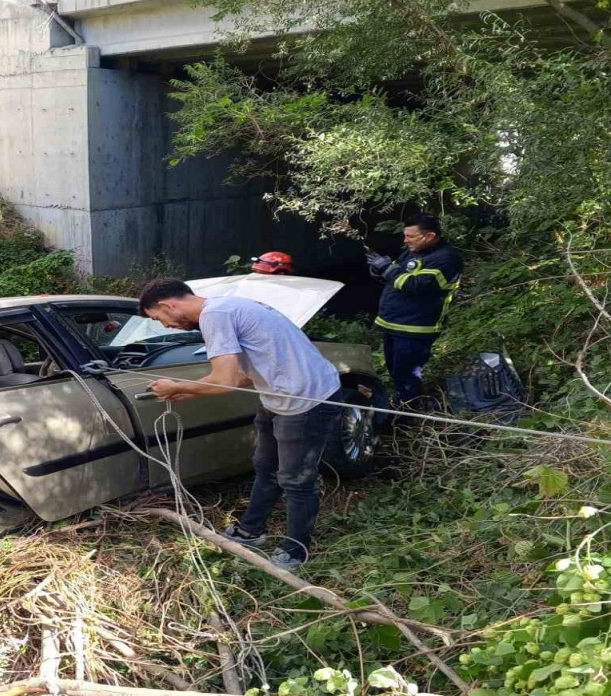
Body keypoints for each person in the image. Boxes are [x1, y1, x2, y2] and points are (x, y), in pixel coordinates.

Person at [139, 277, 345, 571]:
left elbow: (225, 381)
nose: (166, 326)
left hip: (306, 400)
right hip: (279, 396)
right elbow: (245, 373)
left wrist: (175, 385)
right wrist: (188, 389)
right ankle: (251, 531)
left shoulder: (215, 315)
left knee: (295, 479)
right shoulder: (228, 308)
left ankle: (297, 550)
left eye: (159, 319)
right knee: (265, 465)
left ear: (167, 304)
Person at [365, 214, 463, 407]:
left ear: (429, 236)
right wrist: (381, 271)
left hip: (416, 327)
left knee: (406, 374)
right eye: (405, 235)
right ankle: (401, 403)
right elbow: (398, 275)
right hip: (392, 323)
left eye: (410, 236)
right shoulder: (414, 251)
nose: (405, 240)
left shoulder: (447, 258)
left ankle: (407, 413)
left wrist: (387, 268)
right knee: (395, 369)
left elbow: (418, 286)